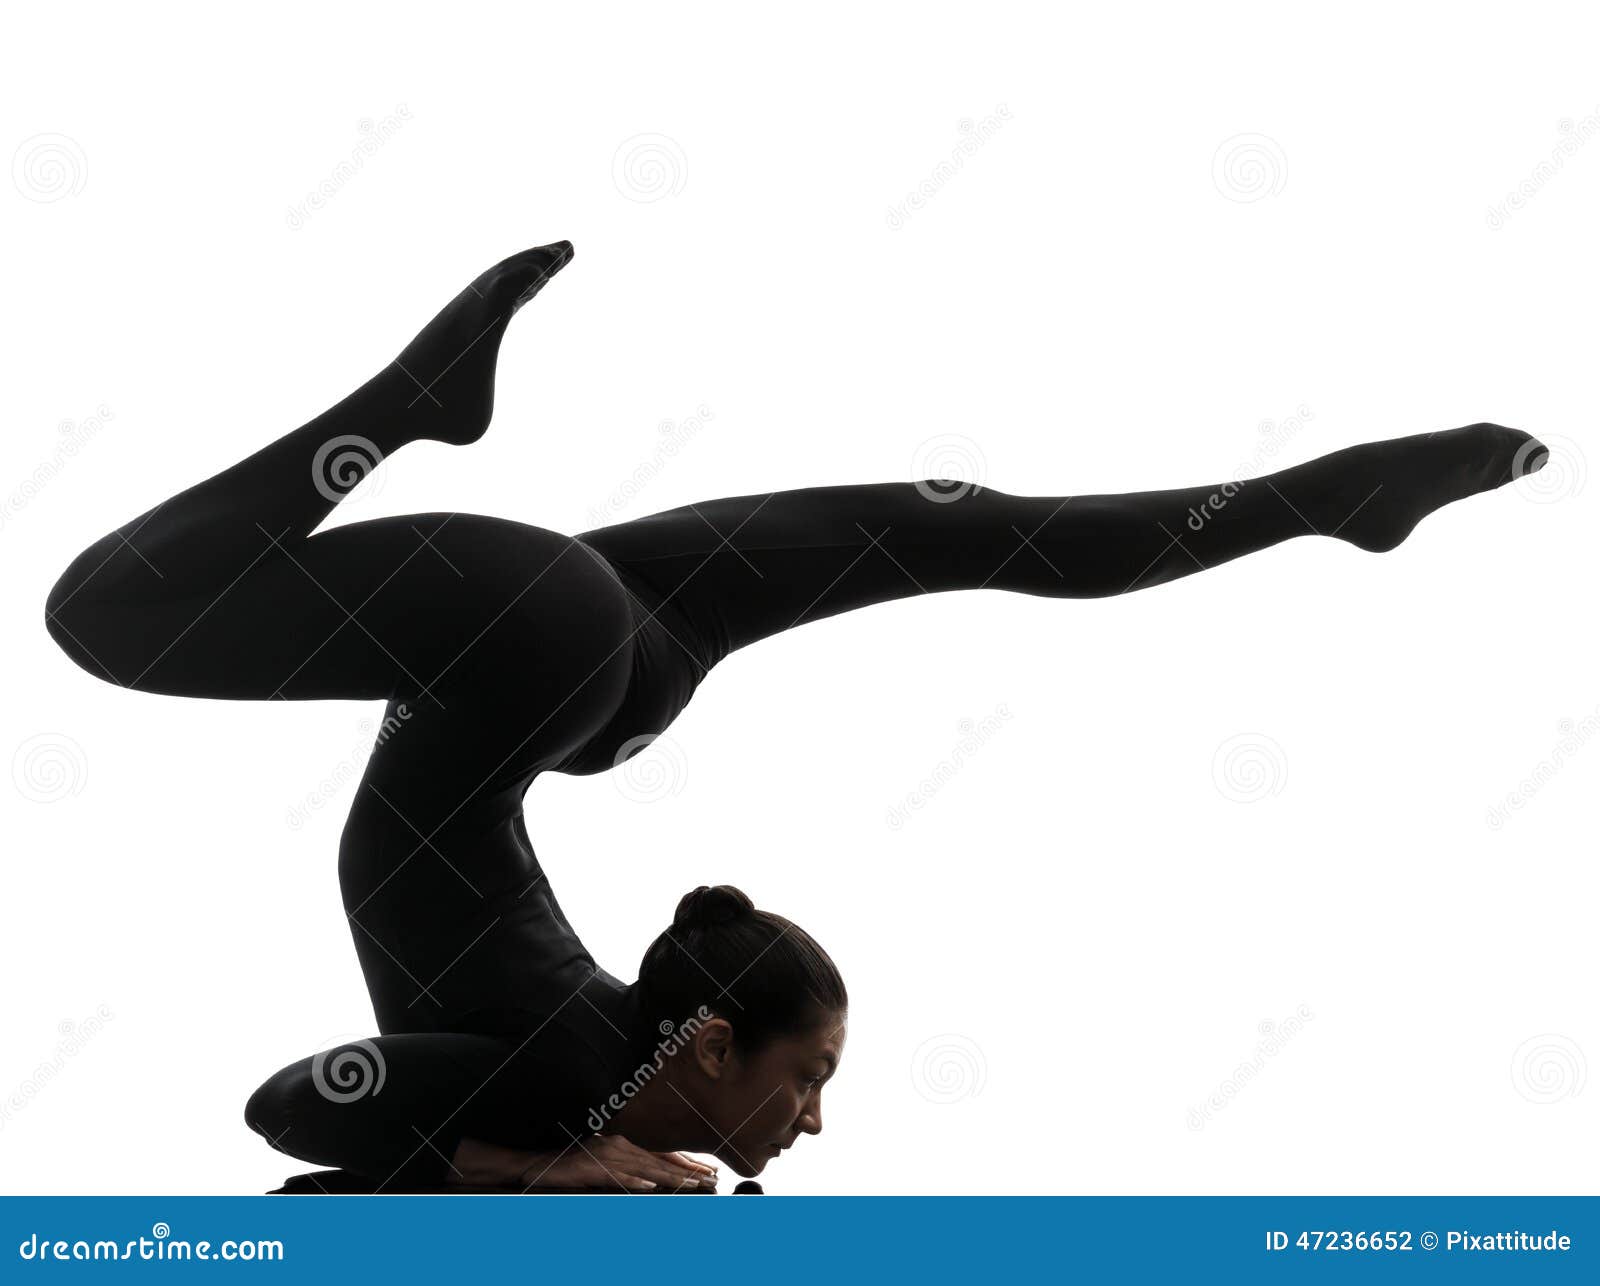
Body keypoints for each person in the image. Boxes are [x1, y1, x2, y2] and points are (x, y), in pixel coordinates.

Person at [42, 242, 1546, 1193]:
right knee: (956, 531)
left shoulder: (578, 1085)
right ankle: (1315, 502)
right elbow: (325, 1114)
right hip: (551, 659)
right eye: (814, 1072)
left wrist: (521, 1169)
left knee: (104, 617)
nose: (811, 1120)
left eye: (806, 1074)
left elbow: (290, 1106)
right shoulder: (591, 1079)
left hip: (559, 651)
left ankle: (415, 401)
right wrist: (528, 1168)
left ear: (703, 1043)